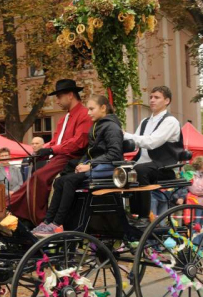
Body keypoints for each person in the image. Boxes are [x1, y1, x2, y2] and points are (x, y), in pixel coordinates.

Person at [32, 95, 123, 236]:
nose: (89, 113)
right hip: (97, 166)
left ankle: (57, 224)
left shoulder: (111, 127)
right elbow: (90, 151)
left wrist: (90, 165)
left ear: (103, 108)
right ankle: (48, 221)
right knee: (59, 181)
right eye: (88, 109)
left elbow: (115, 154)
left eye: (92, 109)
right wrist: (82, 163)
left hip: (109, 168)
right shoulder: (97, 126)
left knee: (68, 180)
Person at [9, 79, 91, 223]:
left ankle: (37, 216)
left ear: (70, 95)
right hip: (59, 158)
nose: (57, 101)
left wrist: (51, 149)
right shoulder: (63, 119)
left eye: (59, 96)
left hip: (71, 160)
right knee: (35, 175)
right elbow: (54, 142)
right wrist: (39, 153)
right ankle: (19, 209)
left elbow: (78, 142)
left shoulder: (84, 115)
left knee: (40, 177)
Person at [123, 86, 183, 226]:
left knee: (140, 170)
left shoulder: (170, 121)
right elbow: (135, 142)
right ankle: (130, 213)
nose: (152, 100)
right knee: (122, 170)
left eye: (156, 97)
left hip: (165, 167)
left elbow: (152, 142)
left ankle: (143, 216)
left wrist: (125, 134)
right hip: (145, 165)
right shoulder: (145, 122)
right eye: (151, 97)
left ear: (167, 101)